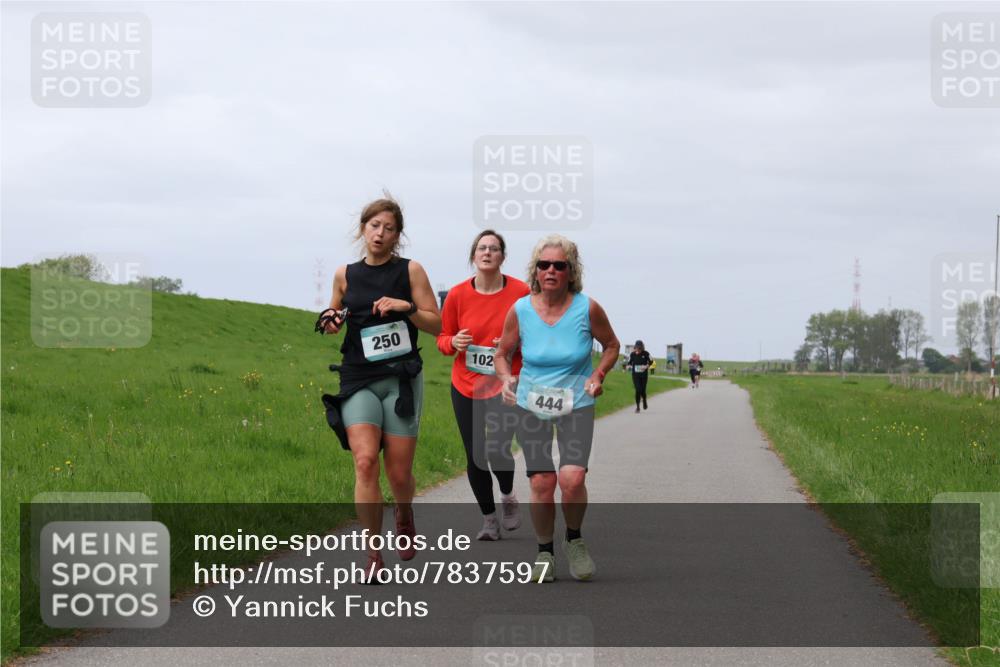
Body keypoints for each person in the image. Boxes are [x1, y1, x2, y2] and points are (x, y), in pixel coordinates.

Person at [318, 196, 441, 581]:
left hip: (400, 378)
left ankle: (404, 512)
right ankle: (373, 552)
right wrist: (330, 321)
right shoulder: (346, 274)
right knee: (365, 461)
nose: (380, 233)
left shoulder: (411, 271)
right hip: (357, 377)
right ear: (363, 229)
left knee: (399, 473)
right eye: (374, 226)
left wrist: (406, 308)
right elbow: (332, 312)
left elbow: (436, 324)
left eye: (388, 228)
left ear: (397, 235)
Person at [495, 235, 620, 583]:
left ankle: (575, 540)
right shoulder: (521, 309)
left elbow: (611, 345)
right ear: (535, 271)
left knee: (572, 478)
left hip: (576, 402)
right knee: (542, 483)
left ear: (570, 271)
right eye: (544, 265)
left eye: (559, 265)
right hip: (532, 403)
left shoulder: (587, 308)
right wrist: (506, 379)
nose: (550, 271)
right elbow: (502, 354)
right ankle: (545, 551)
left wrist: (598, 374)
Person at [437, 230, 530, 541]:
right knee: (475, 452)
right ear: (473, 256)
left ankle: (507, 496)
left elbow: (534, 333)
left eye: (494, 248)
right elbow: (442, 339)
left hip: (505, 382)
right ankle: (489, 520)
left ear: (502, 256)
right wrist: (454, 341)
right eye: (481, 248)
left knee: (498, 448)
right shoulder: (457, 295)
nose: (487, 252)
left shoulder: (521, 292)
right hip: (465, 383)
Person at [627, 340, 652, 413]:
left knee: (643, 390)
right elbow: (629, 363)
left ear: (642, 348)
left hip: (644, 375)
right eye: (636, 348)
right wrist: (628, 366)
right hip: (635, 376)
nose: (638, 350)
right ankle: (637, 407)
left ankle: (644, 400)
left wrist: (646, 366)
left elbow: (651, 362)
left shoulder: (646, 354)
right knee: (638, 390)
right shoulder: (632, 354)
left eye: (639, 348)